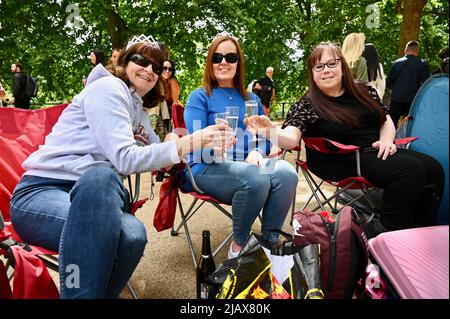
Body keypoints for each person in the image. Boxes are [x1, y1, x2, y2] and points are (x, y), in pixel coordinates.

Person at [9, 38, 234, 298]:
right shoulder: (108, 88)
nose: (149, 70)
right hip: (42, 193)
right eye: (141, 60)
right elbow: (125, 160)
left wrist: (183, 142)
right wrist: (191, 141)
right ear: (125, 62)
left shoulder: (137, 107)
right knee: (101, 177)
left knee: (134, 235)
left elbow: (162, 155)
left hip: (100, 199)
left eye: (157, 67)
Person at [245, 41, 444, 239]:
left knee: (433, 167)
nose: (326, 70)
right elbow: (290, 138)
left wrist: (386, 140)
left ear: (343, 65)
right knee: (409, 170)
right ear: (312, 72)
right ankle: (387, 231)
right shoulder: (308, 103)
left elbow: (385, 119)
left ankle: (421, 228)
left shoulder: (364, 90)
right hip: (338, 159)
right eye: (319, 66)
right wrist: (270, 130)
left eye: (332, 64)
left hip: (373, 151)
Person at [183, 35, 298, 258]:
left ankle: (268, 243)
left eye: (231, 57)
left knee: (286, 173)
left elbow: (265, 138)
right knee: (255, 177)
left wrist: (256, 151)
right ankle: (239, 246)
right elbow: (194, 142)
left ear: (238, 63)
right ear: (210, 62)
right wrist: (214, 144)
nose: (223, 62)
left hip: (249, 164)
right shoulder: (200, 97)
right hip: (207, 166)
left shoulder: (252, 99)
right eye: (217, 57)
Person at [386, 40, 429, 128]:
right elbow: (425, 84)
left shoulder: (396, 63)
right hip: (412, 100)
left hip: (396, 98)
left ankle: (391, 140)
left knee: (392, 124)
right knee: (410, 125)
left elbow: (388, 82)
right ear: (417, 51)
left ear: (405, 50)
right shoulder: (422, 64)